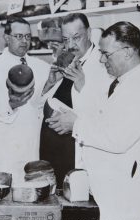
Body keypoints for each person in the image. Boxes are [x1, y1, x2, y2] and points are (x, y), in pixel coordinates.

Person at [66, 21, 140, 220]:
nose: (101, 59)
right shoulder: (121, 83)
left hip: (124, 195)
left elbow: (117, 139)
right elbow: (104, 118)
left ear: (127, 52)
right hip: (108, 190)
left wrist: (75, 124)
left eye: (106, 54)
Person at [0, 17, 50, 184]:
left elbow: (43, 104)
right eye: (18, 36)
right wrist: (11, 105)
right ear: (6, 37)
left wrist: (51, 83)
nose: (24, 41)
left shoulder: (42, 67)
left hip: (32, 147)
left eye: (27, 37)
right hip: (5, 150)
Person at [42, 13, 111, 186]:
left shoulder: (104, 65)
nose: (70, 45)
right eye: (66, 39)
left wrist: (82, 83)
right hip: (53, 150)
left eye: (76, 38)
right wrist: (50, 83)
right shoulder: (66, 58)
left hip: (77, 152)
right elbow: (46, 102)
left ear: (88, 33)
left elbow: (104, 114)